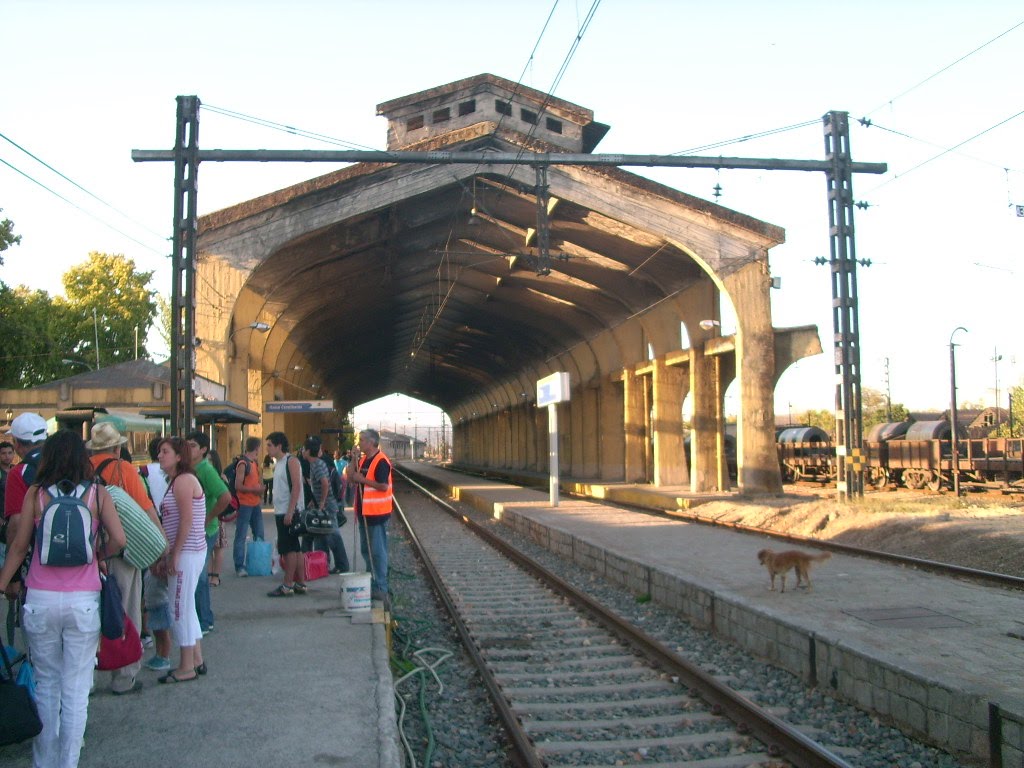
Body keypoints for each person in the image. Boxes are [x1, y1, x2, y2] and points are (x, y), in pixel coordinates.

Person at [0, 429, 126, 768]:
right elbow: (119, 539)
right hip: (83, 600)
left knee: (46, 684)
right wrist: (100, 556)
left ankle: (44, 763)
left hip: (40, 599)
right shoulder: (98, 495)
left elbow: (19, 546)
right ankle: (68, 763)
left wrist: (2, 583)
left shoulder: (35, 495)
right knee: (75, 689)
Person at [87, 421, 159, 695]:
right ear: (117, 448)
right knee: (127, 611)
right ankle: (124, 677)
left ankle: (88, 678)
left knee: (91, 614)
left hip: (90, 554)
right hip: (122, 552)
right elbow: (146, 510)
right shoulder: (124, 470)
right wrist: (160, 545)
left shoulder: (82, 470)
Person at [152, 436, 206, 683]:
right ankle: (196, 659)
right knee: (187, 607)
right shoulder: (177, 481)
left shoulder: (183, 481)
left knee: (178, 609)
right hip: (188, 551)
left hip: (187, 552)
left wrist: (174, 554)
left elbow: (186, 521)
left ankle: (186, 666)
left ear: (178, 456)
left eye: (165, 451)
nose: (160, 455)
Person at [184, 431, 230, 633]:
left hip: (206, 530)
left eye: (193, 445)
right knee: (195, 575)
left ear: (203, 450)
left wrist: (208, 517)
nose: (189, 448)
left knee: (200, 576)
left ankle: (204, 620)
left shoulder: (205, 469)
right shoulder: (190, 468)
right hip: (194, 529)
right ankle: (199, 618)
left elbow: (225, 496)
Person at [346, 429, 393, 602]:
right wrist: (353, 458)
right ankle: (372, 582)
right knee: (367, 550)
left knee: (377, 551)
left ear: (372, 442)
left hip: (377, 514)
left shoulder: (381, 461)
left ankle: (380, 586)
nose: (359, 443)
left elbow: (383, 486)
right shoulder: (364, 459)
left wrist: (363, 480)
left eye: (362, 440)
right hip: (364, 512)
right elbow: (350, 477)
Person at [264, 431, 305, 597]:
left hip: (288, 512)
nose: (267, 449)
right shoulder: (279, 462)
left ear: (279, 446)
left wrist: (290, 511)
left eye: (269, 445)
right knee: (295, 548)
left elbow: (296, 486)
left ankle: (287, 585)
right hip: (282, 510)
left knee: (288, 549)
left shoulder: (291, 461)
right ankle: (300, 583)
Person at [301, 437, 349, 575]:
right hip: (323, 505)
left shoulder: (317, 464)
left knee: (333, 536)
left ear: (309, 451)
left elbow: (325, 483)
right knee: (321, 535)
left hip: (327, 507)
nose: (302, 451)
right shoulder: (316, 463)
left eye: (304, 449)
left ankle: (342, 565)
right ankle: (322, 565)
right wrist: (314, 502)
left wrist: (321, 502)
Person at [232, 437, 265, 576]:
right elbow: (237, 485)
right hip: (245, 503)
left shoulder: (254, 463)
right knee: (241, 535)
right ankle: (240, 566)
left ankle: (257, 562)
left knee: (259, 533)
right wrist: (254, 490)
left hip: (255, 503)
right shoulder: (243, 463)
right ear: (257, 448)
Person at [205, 448, 228, 587]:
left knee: (218, 548)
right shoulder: (203, 475)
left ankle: (215, 576)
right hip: (207, 517)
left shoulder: (220, 477)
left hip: (219, 518)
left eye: (210, 460)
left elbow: (226, 498)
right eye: (206, 460)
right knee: (208, 550)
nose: (207, 463)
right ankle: (208, 575)